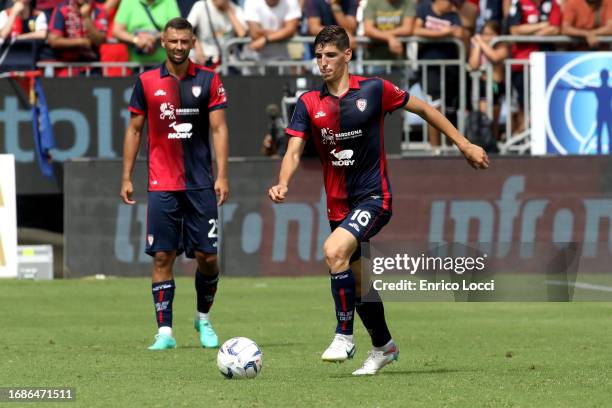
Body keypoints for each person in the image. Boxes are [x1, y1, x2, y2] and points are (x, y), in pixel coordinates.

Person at [268, 25, 489, 375]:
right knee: (359, 285)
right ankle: (384, 346)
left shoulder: (374, 90)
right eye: (319, 56)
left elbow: (425, 109)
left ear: (347, 55)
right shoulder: (309, 103)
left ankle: (344, 336)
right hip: (338, 206)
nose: (323, 63)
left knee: (333, 251)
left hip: (374, 197)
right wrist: (282, 182)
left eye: (330, 55)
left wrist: (463, 144)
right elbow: (294, 150)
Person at [120, 17, 229, 350]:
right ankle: (164, 332)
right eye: (173, 41)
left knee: (207, 257)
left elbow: (219, 129)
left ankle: (203, 318)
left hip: (200, 184)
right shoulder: (146, 81)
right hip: (162, 183)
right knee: (162, 257)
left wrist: (222, 174)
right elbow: (135, 130)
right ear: (163, 43)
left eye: (185, 41)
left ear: (193, 42)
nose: (179, 46)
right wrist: (126, 175)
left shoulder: (209, 80)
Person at [47, 0, 108, 76]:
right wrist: (81, 42)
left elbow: (100, 40)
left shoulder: (99, 9)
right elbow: (53, 40)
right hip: (66, 68)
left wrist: (86, 18)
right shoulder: (62, 8)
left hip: (92, 69)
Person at [112, 0, 180, 64]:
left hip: (164, 65)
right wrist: (136, 40)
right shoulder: (129, 1)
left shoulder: (169, 1)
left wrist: (154, 37)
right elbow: (116, 31)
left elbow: (177, 29)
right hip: (136, 66)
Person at [186, 0, 248, 68]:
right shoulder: (201, 6)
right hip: (206, 57)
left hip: (228, 61)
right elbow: (186, 30)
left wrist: (229, 11)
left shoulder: (235, 8)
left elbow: (242, 33)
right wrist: (197, 47)